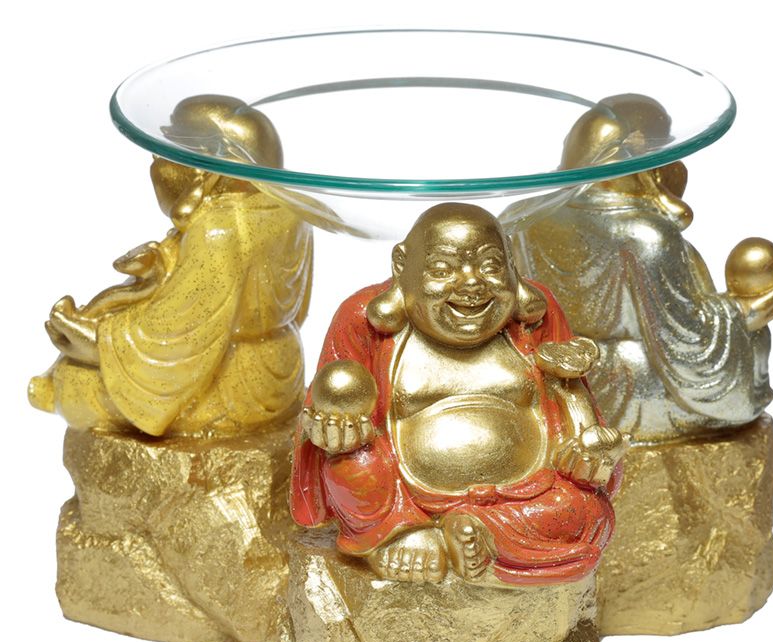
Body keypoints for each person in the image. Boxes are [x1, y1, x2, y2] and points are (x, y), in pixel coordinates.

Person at [291, 203, 627, 586]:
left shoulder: (535, 317)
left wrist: (590, 451)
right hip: (404, 496)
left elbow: (571, 398)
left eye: (490, 266)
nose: (471, 285)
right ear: (401, 266)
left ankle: (474, 537)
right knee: (351, 464)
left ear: (512, 263)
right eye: (442, 270)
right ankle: (403, 534)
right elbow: (327, 406)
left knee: (588, 513)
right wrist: (334, 428)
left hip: (527, 492)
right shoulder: (364, 318)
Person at [29, 95, 313, 437]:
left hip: (225, 384)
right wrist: (164, 262)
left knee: (75, 382)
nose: (158, 168)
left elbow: (182, 336)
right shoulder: (293, 211)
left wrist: (98, 343)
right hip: (284, 370)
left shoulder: (219, 229)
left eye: (164, 157)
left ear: (207, 168)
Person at [512, 94, 773, 442]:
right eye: (662, 150)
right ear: (638, 155)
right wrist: (743, 312)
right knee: (753, 341)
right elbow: (682, 340)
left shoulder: (522, 218)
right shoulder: (645, 237)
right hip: (622, 387)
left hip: (545, 379)